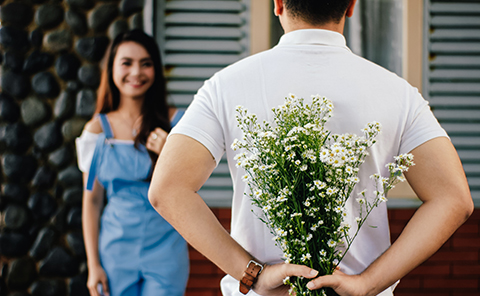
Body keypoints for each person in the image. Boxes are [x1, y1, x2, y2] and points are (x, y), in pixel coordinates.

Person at [148, 1, 473, 295]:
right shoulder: (398, 93)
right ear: (350, 7)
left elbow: (168, 190)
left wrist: (253, 275)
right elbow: (454, 199)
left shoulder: (225, 86)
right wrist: (367, 284)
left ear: (278, 4)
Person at [76, 29, 188, 296]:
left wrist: (168, 154)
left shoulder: (179, 124)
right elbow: (91, 202)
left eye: (146, 63)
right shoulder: (96, 131)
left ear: (156, 70)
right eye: (127, 63)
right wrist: (93, 265)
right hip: (115, 250)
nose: (136, 72)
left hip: (167, 247)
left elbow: (191, 189)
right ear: (112, 69)